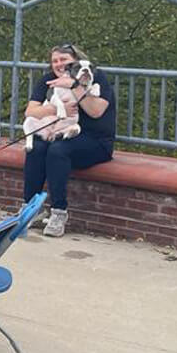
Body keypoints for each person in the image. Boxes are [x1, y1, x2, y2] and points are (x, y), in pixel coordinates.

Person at [22, 42, 116, 237]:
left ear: (75, 62)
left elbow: (96, 111)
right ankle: (31, 208)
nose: (59, 64)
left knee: (58, 151)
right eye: (54, 61)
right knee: (36, 148)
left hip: (94, 140)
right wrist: (56, 109)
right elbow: (30, 111)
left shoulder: (95, 77)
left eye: (63, 60)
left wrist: (74, 86)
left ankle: (59, 212)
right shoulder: (49, 80)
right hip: (59, 133)